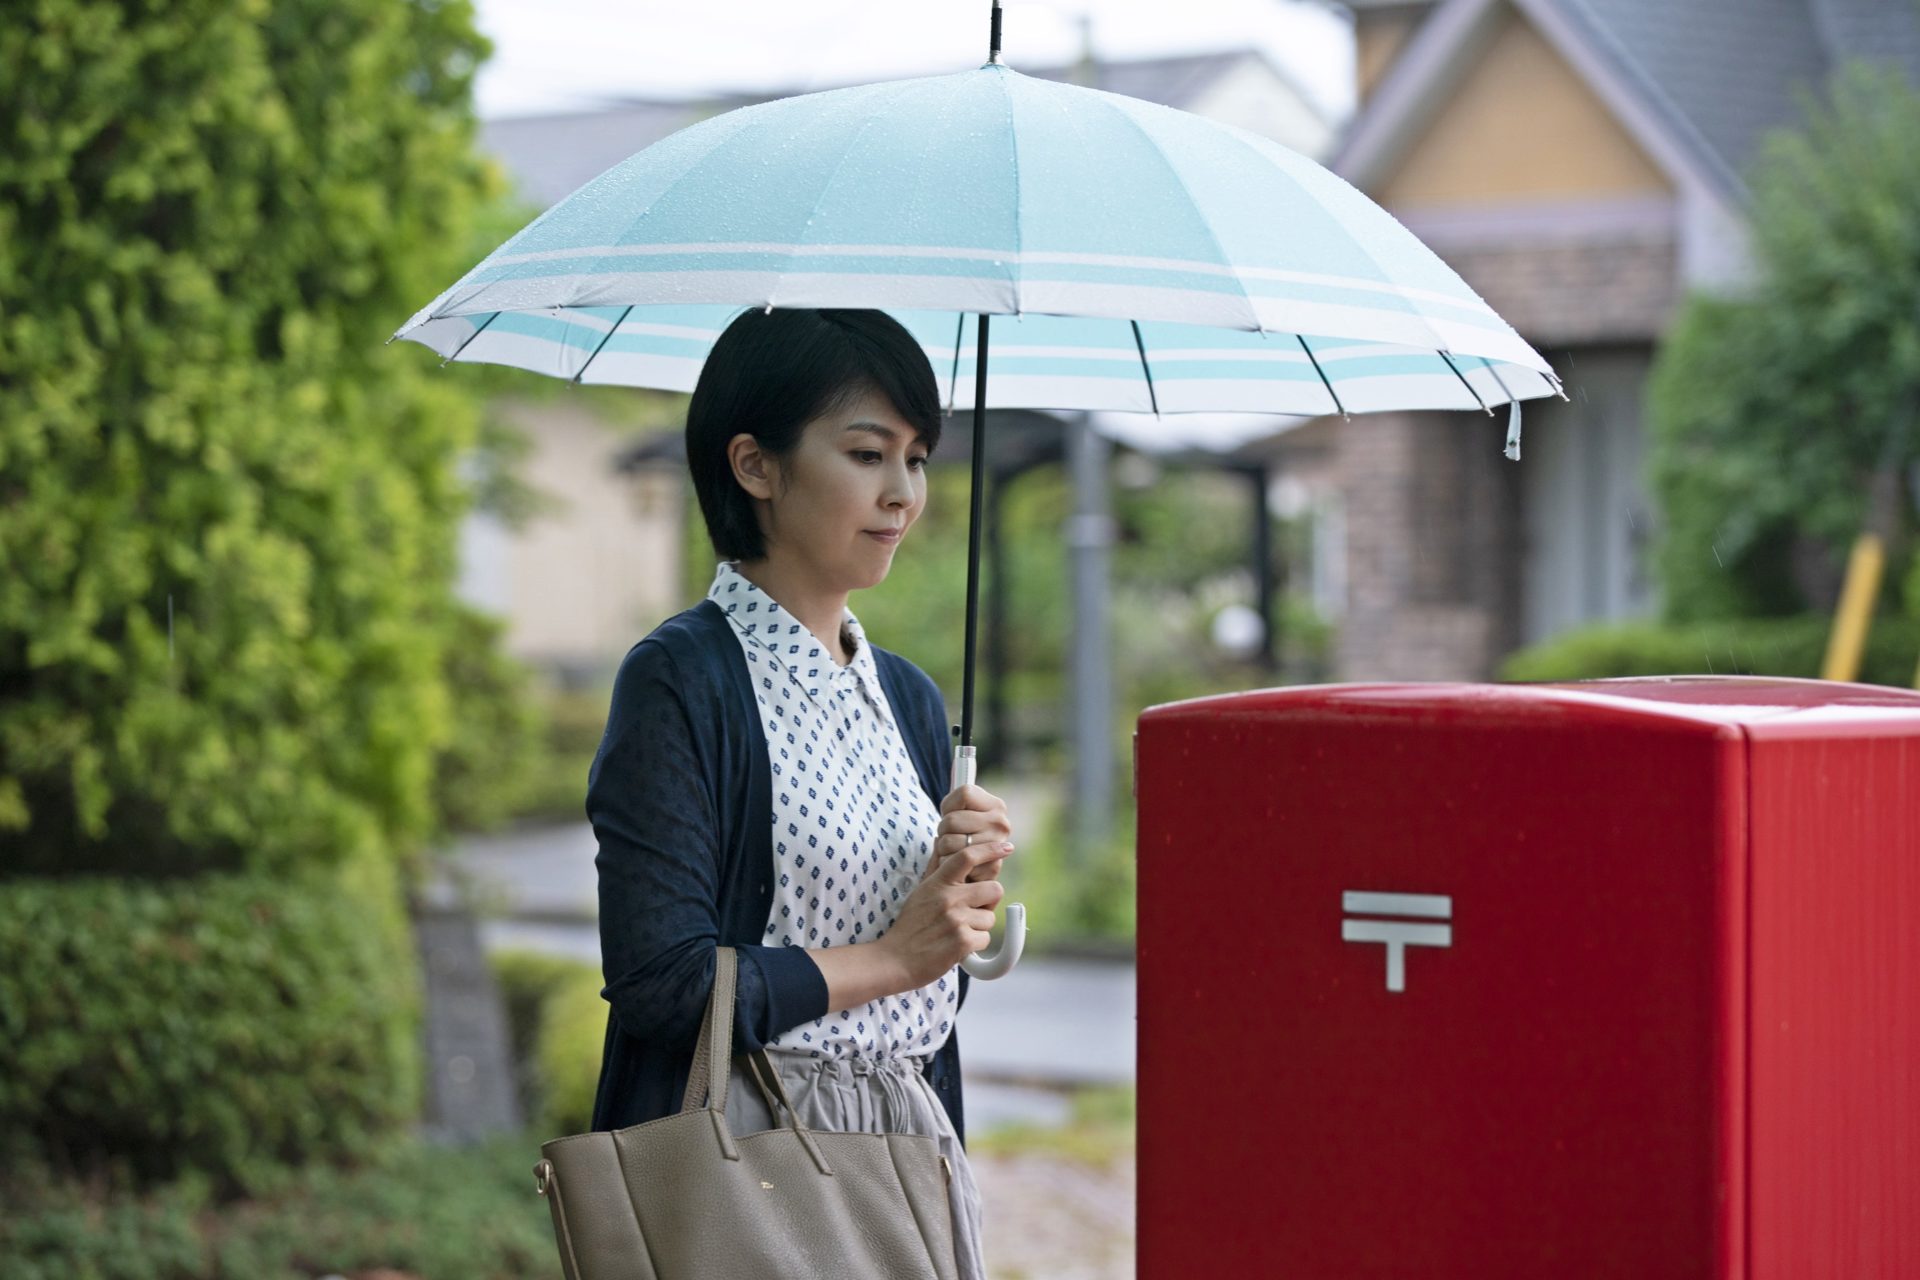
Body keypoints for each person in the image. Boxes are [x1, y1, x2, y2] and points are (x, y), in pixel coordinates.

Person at [585, 306, 1014, 1279]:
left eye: (917, 457)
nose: (903, 492)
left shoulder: (905, 694)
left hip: (910, 1151)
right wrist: (893, 954)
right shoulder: (682, 679)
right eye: (868, 452)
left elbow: (922, 998)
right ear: (755, 464)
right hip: (747, 1166)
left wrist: (957, 897)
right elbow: (666, 984)